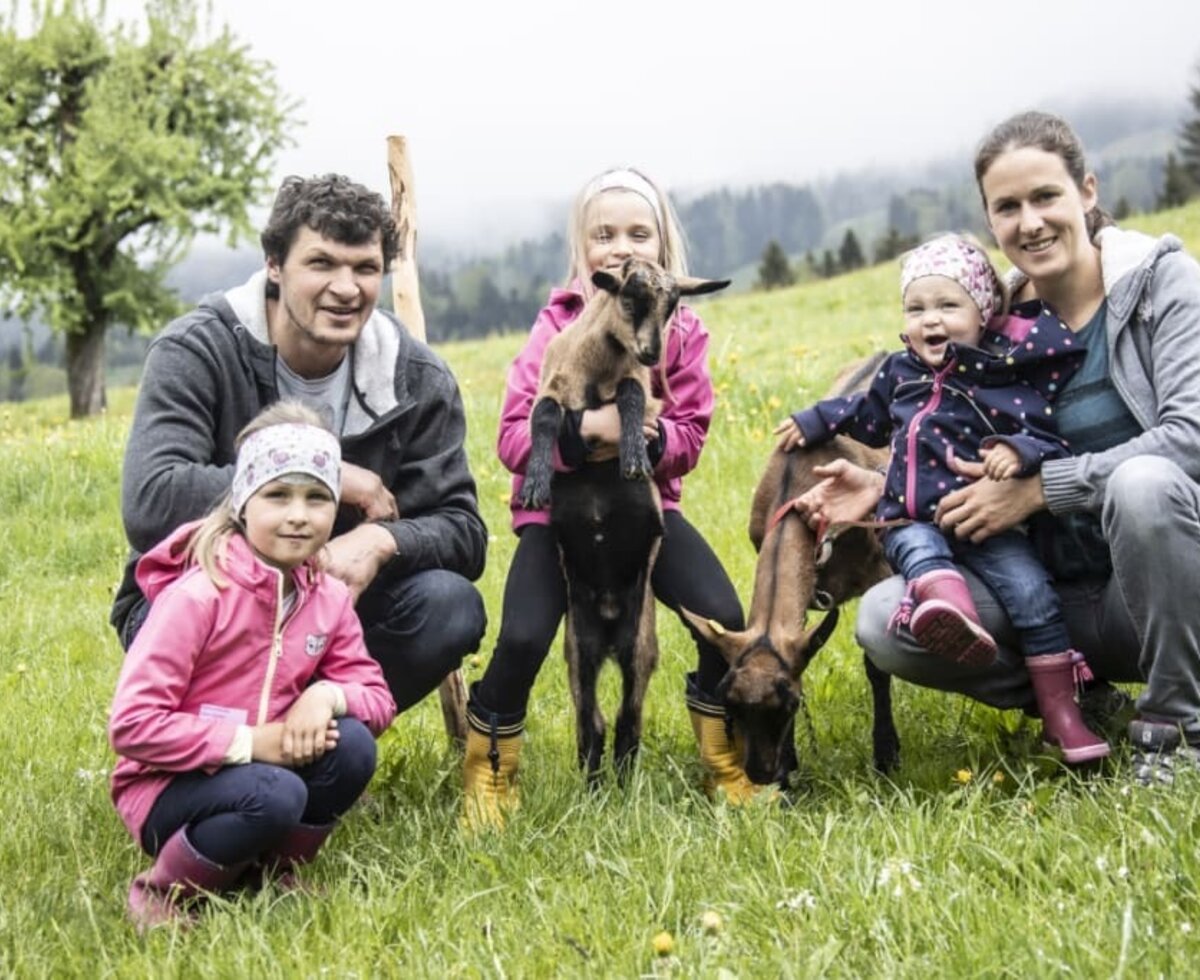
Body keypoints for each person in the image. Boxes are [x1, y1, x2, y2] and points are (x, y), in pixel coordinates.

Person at [799, 111, 1200, 784]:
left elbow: (1189, 440)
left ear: (1088, 191)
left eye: (1046, 196)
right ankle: (1074, 697)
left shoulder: (1166, 287)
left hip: (1168, 592)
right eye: (1007, 207)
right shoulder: (990, 326)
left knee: (1145, 485)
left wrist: (1043, 489)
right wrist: (890, 483)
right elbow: (949, 439)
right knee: (883, 620)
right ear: (992, 224)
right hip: (1051, 596)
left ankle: (1179, 724)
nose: (1031, 221)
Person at [110, 173, 488, 714]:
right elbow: (151, 501)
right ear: (274, 265)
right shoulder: (198, 350)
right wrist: (329, 474)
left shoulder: (416, 378)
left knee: (450, 605)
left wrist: (382, 543)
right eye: (321, 263)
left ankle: (325, 742)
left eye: (365, 268)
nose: (346, 287)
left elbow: (464, 531)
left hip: (339, 608)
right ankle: (238, 751)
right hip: (205, 602)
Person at [461, 166, 754, 829]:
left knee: (721, 616)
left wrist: (646, 444)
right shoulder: (555, 327)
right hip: (556, 514)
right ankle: (490, 767)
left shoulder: (682, 331)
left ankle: (722, 755)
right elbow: (513, 437)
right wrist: (581, 431)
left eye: (638, 232)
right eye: (605, 233)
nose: (622, 245)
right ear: (583, 251)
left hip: (638, 513)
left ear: (664, 245)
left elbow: (689, 433)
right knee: (525, 633)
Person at [775, 234, 1107, 763]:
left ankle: (1062, 716)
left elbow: (1047, 438)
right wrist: (814, 419)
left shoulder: (1001, 380)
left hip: (987, 525)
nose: (931, 320)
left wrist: (1016, 453)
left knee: (1033, 594)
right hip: (912, 517)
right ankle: (944, 607)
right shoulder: (898, 374)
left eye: (948, 305)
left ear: (983, 314)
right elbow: (864, 417)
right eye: (916, 307)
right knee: (918, 549)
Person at [109, 403, 398, 929]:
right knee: (277, 793)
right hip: (168, 787)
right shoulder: (200, 595)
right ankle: (163, 895)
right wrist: (249, 743)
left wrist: (326, 695)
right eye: (277, 495)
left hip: (265, 767)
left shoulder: (327, 597)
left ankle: (272, 873)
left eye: (316, 497)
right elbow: (132, 725)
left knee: (353, 745)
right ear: (244, 502)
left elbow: (376, 696)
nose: (298, 515)